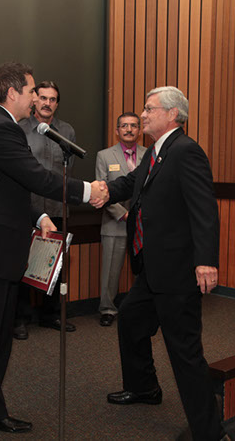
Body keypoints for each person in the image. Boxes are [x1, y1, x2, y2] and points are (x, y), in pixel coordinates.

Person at [0, 61, 107, 440]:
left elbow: (10, 190)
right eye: (33, 90)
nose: (36, 97)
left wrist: (38, 219)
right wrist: (87, 191)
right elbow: (36, 177)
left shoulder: (6, 129)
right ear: (13, 92)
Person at [102, 87, 225, 440]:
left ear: (172, 114)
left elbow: (205, 210)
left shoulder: (187, 152)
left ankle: (208, 431)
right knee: (130, 319)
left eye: (149, 108)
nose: (142, 114)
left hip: (176, 270)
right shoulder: (156, 152)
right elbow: (132, 184)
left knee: (184, 352)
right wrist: (103, 191)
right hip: (151, 267)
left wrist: (206, 261)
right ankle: (144, 388)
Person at [14, 80, 77, 340]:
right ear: (34, 100)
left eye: (53, 99)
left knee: (56, 264)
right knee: (23, 263)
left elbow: (69, 167)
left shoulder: (67, 131)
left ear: (57, 103)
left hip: (57, 206)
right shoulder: (20, 128)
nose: (47, 103)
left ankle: (50, 315)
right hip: (27, 208)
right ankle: (20, 318)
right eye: (43, 98)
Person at [95, 112, 147, 327]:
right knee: (110, 270)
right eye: (124, 126)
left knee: (144, 269)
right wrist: (125, 215)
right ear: (117, 130)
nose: (129, 129)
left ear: (140, 130)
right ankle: (107, 309)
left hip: (144, 224)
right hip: (114, 221)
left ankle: (143, 308)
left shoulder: (150, 154)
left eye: (133, 125)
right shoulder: (104, 156)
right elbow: (101, 189)